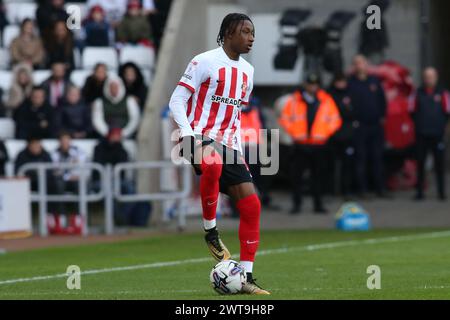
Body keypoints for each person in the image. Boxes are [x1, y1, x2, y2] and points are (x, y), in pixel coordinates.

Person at [169, 13, 268, 294]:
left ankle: (246, 278)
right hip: (194, 135)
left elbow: (234, 115)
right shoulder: (204, 61)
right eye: (245, 31)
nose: (251, 37)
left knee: (252, 205)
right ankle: (211, 232)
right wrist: (187, 132)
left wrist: (236, 148)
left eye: (253, 33)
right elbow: (177, 99)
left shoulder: (247, 72)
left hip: (228, 144)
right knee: (211, 163)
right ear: (227, 33)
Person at [279, 73, 342, 214]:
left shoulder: (326, 100)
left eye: (315, 84)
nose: (312, 87)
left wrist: (325, 133)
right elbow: (285, 118)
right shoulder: (294, 100)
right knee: (297, 177)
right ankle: (296, 204)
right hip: (301, 144)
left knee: (318, 177)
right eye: (310, 84)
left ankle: (318, 204)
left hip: (319, 144)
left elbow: (335, 120)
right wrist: (295, 134)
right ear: (305, 85)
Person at [348, 54, 387, 197]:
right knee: (360, 159)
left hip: (375, 126)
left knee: (377, 158)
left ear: (367, 64)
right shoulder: (350, 83)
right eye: (356, 63)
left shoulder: (374, 82)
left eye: (362, 62)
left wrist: (381, 117)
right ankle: (362, 190)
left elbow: (382, 102)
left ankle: (380, 189)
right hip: (360, 126)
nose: (359, 66)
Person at [410, 67, 450, 201]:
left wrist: (444, 127)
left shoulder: (443, 93)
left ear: (436, 77)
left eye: (431, 76)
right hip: (422, 134)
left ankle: (441, 192)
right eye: (427, 76)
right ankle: (420, 192)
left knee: (440, 164)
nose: (429, 79)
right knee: (420, 164)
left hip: (437, 134)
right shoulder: (417, 93)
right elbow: (412, 111)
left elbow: (447, 112)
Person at [328, 73, 357, 197]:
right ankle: (331, 189)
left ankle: (346, 190)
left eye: (343, 81)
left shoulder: (350, 94)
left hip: (347, 135)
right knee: (331, 164)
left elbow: (353, 112)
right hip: (332, 134)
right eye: (339, 81)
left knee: (347, 164)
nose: (341, 84)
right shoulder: (329, 95)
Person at [51, 131, 87, 209]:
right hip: (62, 180)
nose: (65, 142)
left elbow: (82, 166)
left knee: (80, 185)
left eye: (67, 140)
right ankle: (60, 212)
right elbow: (56, 171)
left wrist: (76, 175)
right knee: (58, 185)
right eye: (63, 140)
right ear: (59, 142)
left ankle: (80, 213)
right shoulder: (54, 153)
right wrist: (67, 176)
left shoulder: (78, 151)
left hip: (76, 179)